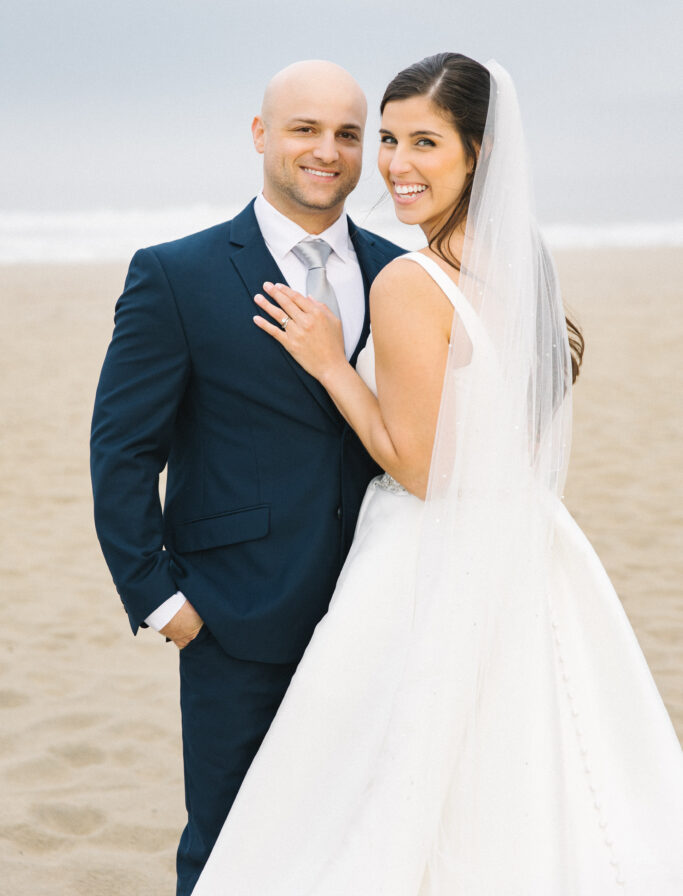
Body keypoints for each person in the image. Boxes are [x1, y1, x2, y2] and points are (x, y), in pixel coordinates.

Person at [192, 55, 683, 895]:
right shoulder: (517, 266)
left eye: (424, 142)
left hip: (429, 550)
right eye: (387, 140)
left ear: (476, 155)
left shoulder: (410, 281)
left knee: (388, 779)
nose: (394, 164)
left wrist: (330, 364)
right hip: (526, 544)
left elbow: (419, 469)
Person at [89, 59, 403, 895]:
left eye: (347, 134)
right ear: (261, 134)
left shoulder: (399, 275)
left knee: (360, 849)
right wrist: (164, 602)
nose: (327, 151)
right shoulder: (176, 275)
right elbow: (123, 451)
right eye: (304, 129)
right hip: (234, 620)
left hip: (379, 610)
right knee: (229, 852)